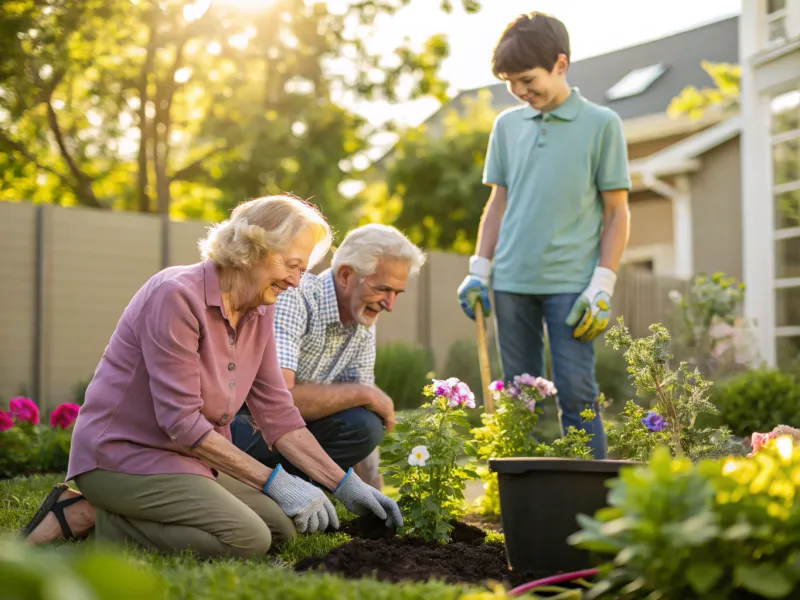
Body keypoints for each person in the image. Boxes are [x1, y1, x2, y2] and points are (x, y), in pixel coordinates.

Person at [21, 195, 402, 556]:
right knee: (246, 539)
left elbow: (278, 414)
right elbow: (181, 422)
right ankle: (88, 514)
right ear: (253, 248)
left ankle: (110, 515)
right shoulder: (176, 295)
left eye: (302, 270)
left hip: (192, 461)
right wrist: (277, 482)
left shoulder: (260, 310)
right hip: (124, 457)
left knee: (280, 530)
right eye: (291, 265)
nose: (296, 281)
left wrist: (345, 484)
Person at [456, 12, 631, 459]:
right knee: (520, 398)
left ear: (560, 63)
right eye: (511, 82)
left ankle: (589, 505)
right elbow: (498, 203)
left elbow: (616, 213)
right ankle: (523, 502)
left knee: (577, 393)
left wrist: (602, 284)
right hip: (512, 282)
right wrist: (479, 269)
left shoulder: (602, 124)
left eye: (527, 79)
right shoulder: (507, 127)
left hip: (572, 287)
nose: (519, 91)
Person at [231, 224, 426, 490]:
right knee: (365, 403)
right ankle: (270, 489)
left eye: (396, 293)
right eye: (383, 289)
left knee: (365, 424)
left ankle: (301, 492)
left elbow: (363, 405)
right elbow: (278, 398)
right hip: (244, 425)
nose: (389, 305)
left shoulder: (364, 316)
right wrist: (366, 394)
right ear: (346, 275)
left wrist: (374, 493)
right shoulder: (295, 297)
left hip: (290, 432)